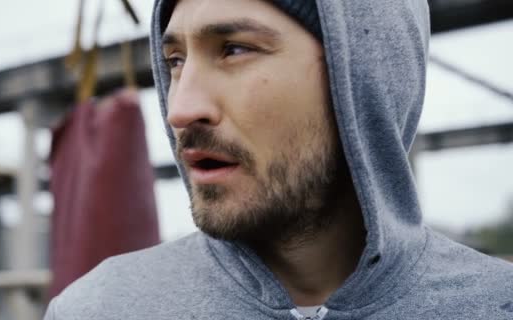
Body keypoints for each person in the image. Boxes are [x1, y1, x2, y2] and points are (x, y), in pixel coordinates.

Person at [44, 0, 513, 319]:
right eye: (175, 60)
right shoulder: (102, 308)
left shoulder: (495, 304)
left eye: (234, 49)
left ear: (362, 75)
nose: (179, 110)